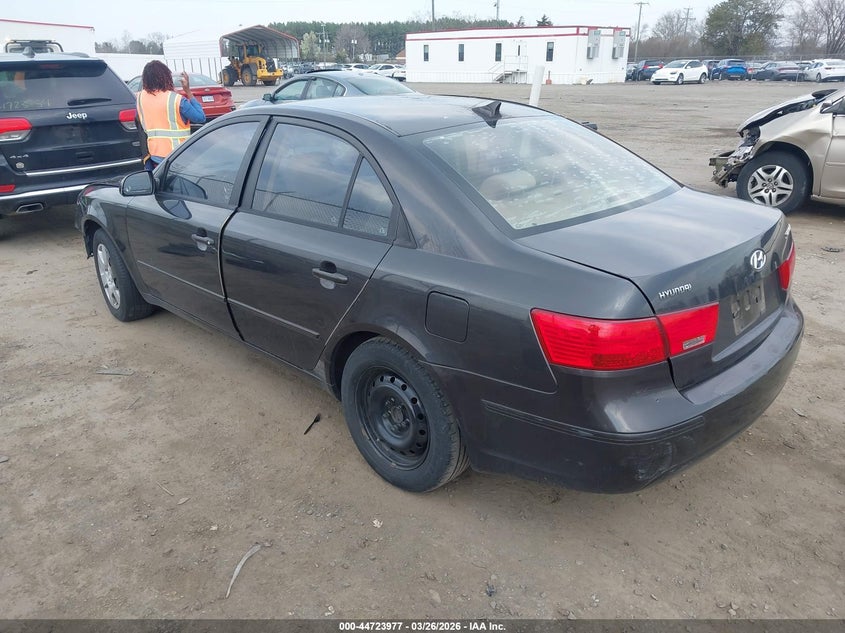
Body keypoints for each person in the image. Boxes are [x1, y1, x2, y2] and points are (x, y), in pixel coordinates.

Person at [135, 61, 206, 170]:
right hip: (178, 156)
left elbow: (139, 122)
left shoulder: (140, 98)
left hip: (155, 156)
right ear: (166, 77)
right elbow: (200, 117)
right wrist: (188, 91)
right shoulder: (176, 99)